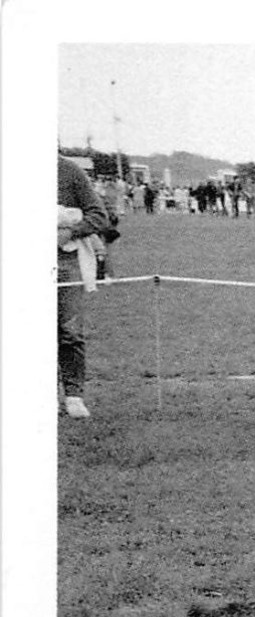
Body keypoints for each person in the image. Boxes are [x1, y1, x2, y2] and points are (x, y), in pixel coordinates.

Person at [58, 155, 113, 421]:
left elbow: (99, 216)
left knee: (69, 330)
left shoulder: (70, 171)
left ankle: (73, 396)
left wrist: (70, 232)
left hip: (66, 260)